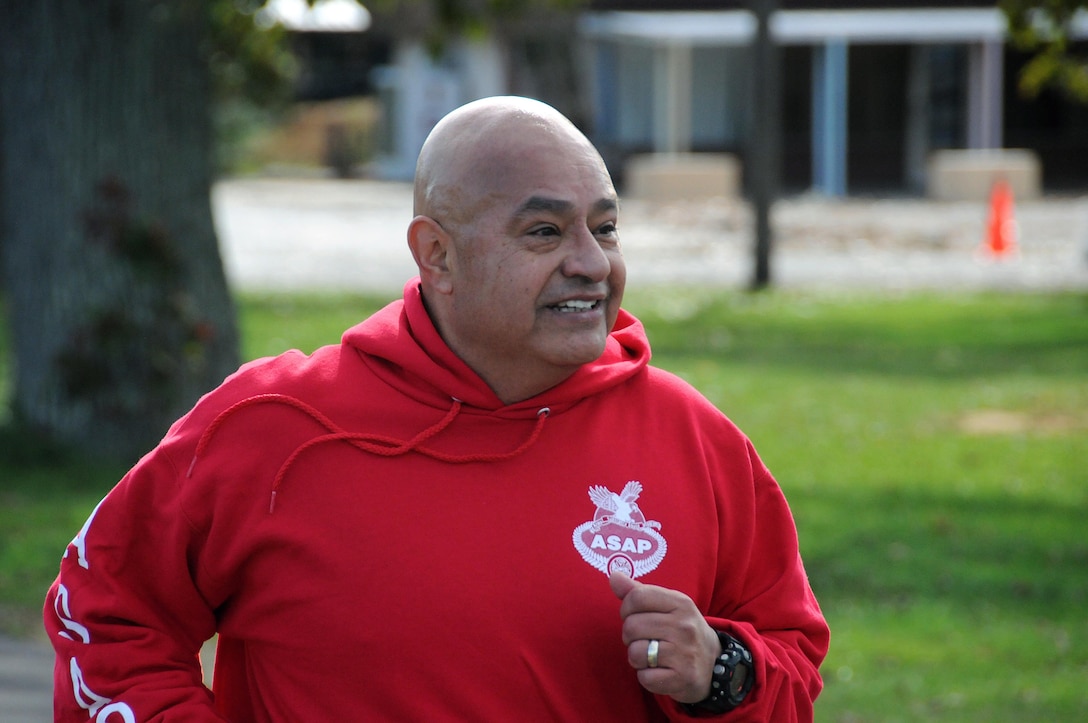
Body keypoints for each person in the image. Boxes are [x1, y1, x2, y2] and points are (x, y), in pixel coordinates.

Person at [44, 96, 828, 721]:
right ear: (437, 255)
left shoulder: (695, 439)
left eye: (606, 226)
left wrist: (723, 673)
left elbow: (792, 658)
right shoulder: (275, 424)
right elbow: (105, 611)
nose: (590, 262)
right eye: (546, 230)